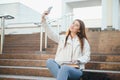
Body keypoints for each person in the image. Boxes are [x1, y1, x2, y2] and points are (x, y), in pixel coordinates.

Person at [41, 11, 91, 80]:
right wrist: (44, 20)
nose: (73, 25)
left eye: (76, 25)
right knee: (50, 61)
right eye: (73, 23)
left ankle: (63, 76)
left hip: (75, 70)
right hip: (61, 67)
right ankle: (63, 76)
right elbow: (51, 34)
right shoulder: (63, 38)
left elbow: (87, 56)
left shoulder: (83, 41)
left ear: (79, 30)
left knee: (64, 68)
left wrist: (78, 60)